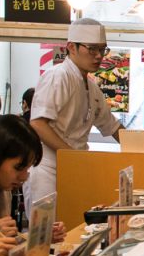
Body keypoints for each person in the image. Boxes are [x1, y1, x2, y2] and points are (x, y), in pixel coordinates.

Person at [25, 18, 123, 215]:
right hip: (48, 170)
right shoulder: (58, 76)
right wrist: (71, 156)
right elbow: (37, 123)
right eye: (92, 49)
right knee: (47, 235)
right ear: (71, 47)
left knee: (70, 230)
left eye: (102, 50)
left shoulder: (92, 87)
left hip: (74, 168)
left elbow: (112, 127)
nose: (98, 56)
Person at [0, 116, 66, 256]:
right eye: (18, 168)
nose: (24, 177)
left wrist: (39, 236)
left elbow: (3, 244)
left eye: (27, 169)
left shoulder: (2, 188)